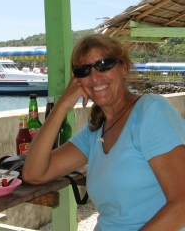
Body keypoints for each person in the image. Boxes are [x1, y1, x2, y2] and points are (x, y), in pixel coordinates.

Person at [22, 33, 185, 231]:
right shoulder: (95, 132)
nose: (95, 76)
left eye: (104, 64)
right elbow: (34, 174)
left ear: (124, 68)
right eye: (84, 70)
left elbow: (182, 204)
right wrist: (62, 105)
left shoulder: (150, 111)